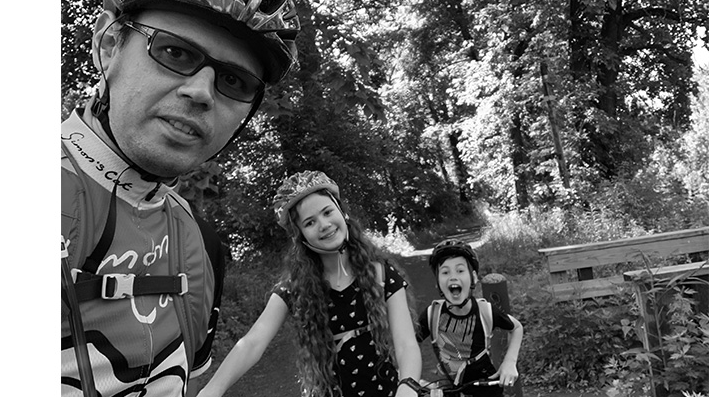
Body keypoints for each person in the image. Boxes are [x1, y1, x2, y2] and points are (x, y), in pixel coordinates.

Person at [60, 0, 300, 396]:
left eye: (234, 81)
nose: (201, 92)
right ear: (109, 46)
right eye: (174, 51)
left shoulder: (201, 246)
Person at [198, 170, 422, 397]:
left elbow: (406, 344)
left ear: (342, 212)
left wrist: (408, 385)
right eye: (310, 222)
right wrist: (211, 390)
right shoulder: (295, 287)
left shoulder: (380, 273)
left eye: (327, 212)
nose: (324, 225)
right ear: (301, 235)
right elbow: (252, 343)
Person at [416, 240, 523, 396]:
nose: (453, 277)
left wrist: (510, 362)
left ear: (473, 277)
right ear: (438, 283)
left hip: (485, 385)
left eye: (460, 271)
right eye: (445, 272)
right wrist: (409, 378)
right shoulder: (432, 315)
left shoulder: (485, 311)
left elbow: (517, 327)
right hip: (447, 386)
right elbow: (407, 346)